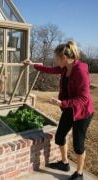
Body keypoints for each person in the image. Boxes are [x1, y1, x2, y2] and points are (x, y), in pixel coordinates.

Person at [23, 40, 94, 180]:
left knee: (78, 145)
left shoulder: (80, 71)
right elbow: (50, 69)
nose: (54, 61)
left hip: (82, 112)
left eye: (56, 58)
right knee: (60, 136)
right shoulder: (65, 68)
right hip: (69, 108)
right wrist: (33, 65)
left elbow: (84, 98)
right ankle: (64, 163)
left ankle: (79, 174)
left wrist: (63, 102)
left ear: (64, 58)